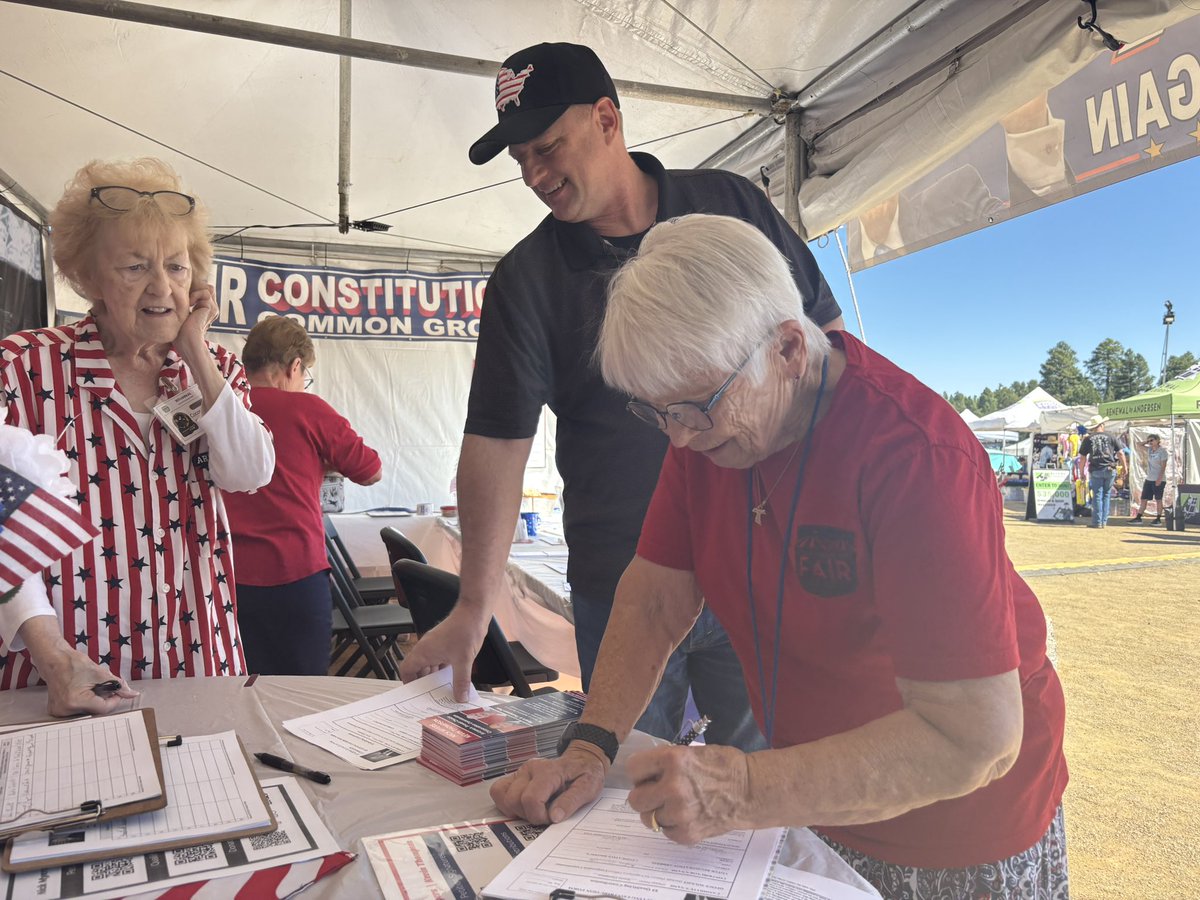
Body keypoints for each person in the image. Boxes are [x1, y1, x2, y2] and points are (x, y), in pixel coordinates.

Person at [490, 215, 1068, 900]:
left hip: (952, 834)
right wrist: (590, 745)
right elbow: (654, 599)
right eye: (657, 412)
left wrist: (744, 790)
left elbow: (975, 739)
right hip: (812, 804)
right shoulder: (715, 430)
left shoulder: (915, 455)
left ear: (790, 347)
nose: (677, 440)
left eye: (695, 406)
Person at [399, 43, 843, 752]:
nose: (536, 176)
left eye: (547, 148)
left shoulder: (729, 204)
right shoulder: (528, 278)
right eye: (521, 163)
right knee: (618, 777)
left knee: (769, 771)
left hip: (757, 563)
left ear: (607, 119)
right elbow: (496, 441)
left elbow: (824, 340)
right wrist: (476, 601)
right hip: (622, 576)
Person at [0, 158, 275, 716]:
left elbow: (250, 473)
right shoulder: (23, 368)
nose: (161, 287)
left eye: (176, 268)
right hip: (61, 671)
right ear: (86, 276)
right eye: (134, 267)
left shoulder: (214, 369)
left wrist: (195, 349)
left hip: (197, 657)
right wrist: (56, 660)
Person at [224, 316, 382, 674]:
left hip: (227, 574)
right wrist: (321, 461)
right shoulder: (308, 409)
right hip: (294, 571)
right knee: (303, 687)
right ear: (294, 366)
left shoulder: (222, 408)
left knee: (238, 685)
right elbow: (371, 471)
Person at [1079, 415, 1124, 529]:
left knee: (1097, 495)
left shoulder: (1088, 439)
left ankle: (1097, 522)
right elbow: (1121, 453)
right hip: (1110, 468)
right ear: (1102, 425)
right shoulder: (1111, 437)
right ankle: (1104, 521)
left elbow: (1083, 457)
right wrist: (1125, 467)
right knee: (1106, 495)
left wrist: (1081, 472)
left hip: (1096, 469)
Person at [1131, 433, 1169, 525]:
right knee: (1144, 498)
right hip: (1149, 478)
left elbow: (1163, 466)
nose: (1150, 442)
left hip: (1159, 478)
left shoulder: (1162, 451)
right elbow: (1138, 445)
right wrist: (1147, 442)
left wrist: (1159, 479)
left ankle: (1158, 518)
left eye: (1152, 440)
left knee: (1158, 499)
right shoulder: (1150, 450)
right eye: (1149, 440)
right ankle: (1139, 517)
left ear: (1157, 441)